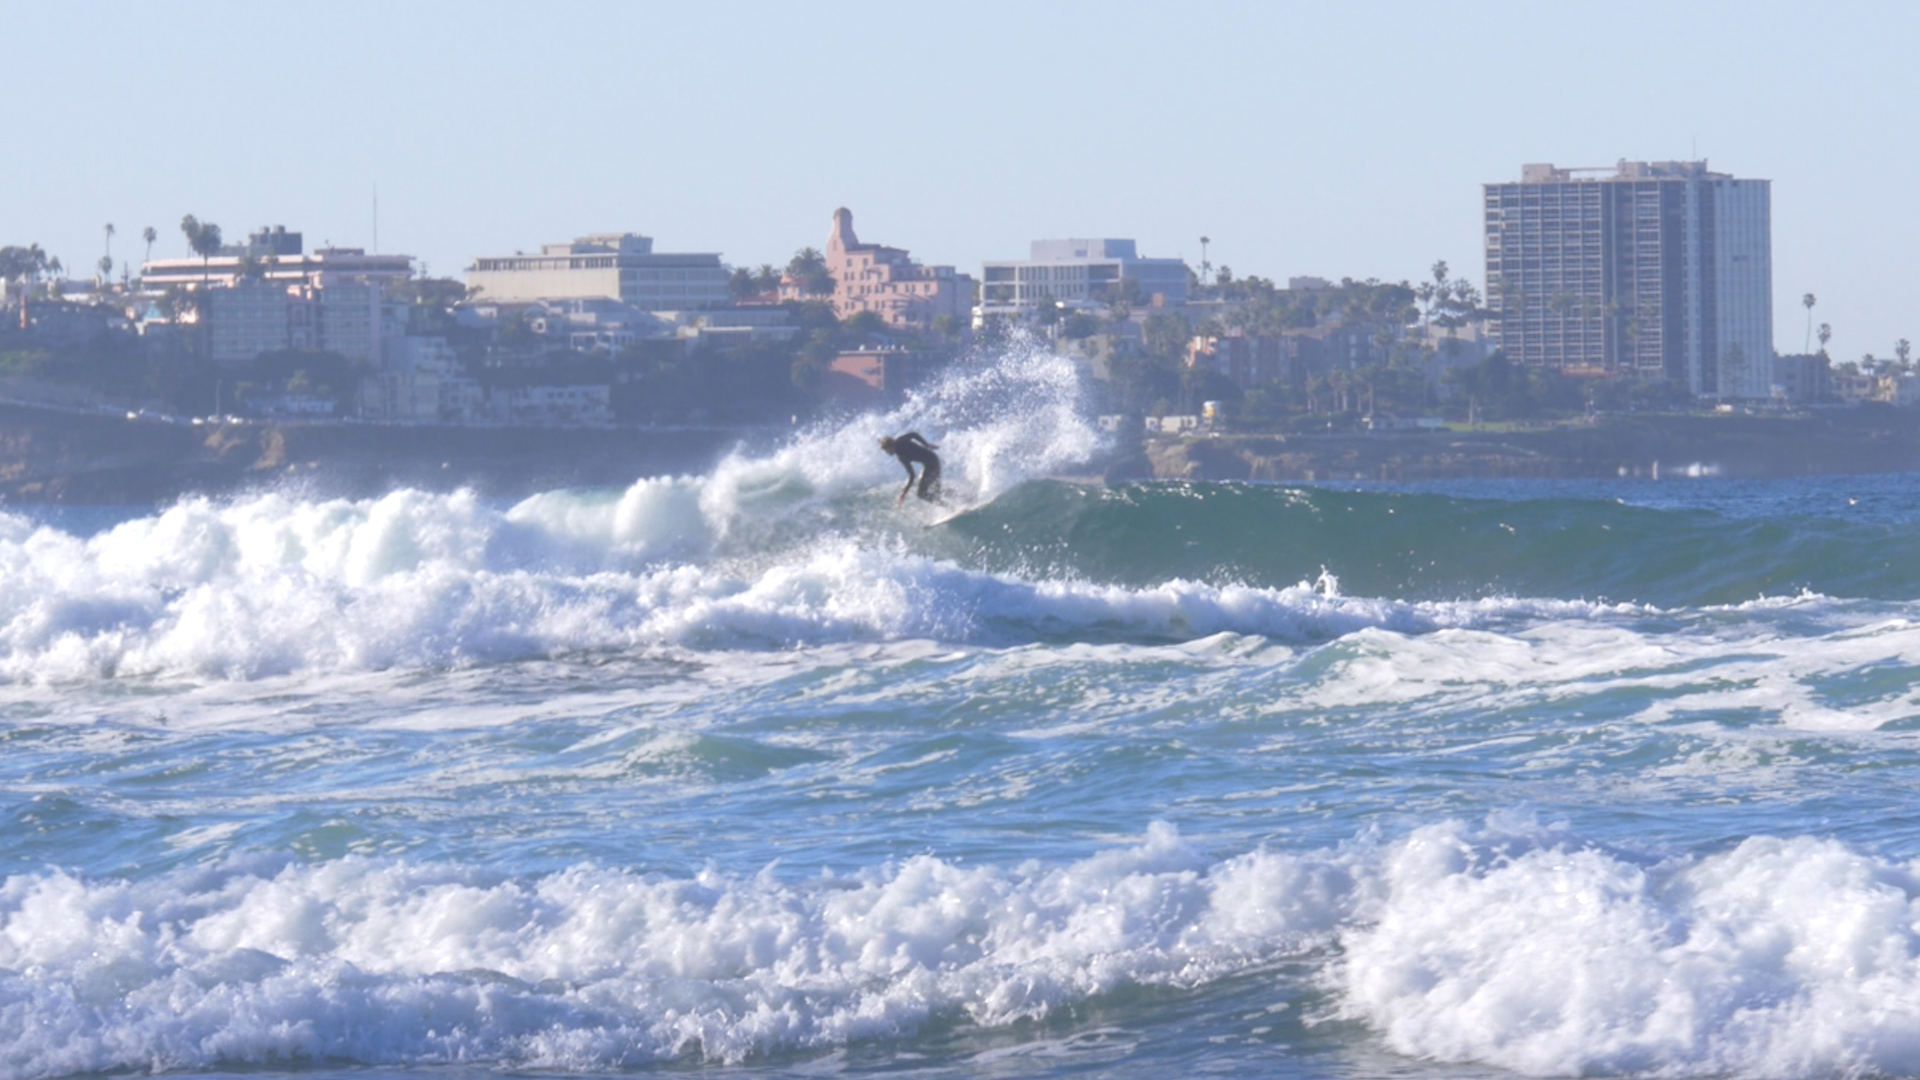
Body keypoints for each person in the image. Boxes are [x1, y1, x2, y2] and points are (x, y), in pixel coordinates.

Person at [879, 432, 942, 504]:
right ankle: (953, 496)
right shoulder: (901, 457)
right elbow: (912, 475)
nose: (887, 453)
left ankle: (948, 505)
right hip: (930, 464)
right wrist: (904, 493)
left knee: (923, 493)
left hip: (932, 461)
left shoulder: (901, 441)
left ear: (891, 446)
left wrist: (926, 444)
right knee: (930, 492)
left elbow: (913, 434)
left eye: (887, 450)